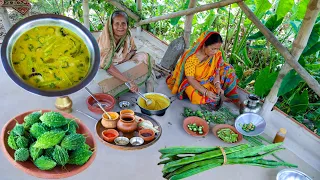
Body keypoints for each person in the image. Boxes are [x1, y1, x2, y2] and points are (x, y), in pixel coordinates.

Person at [166, 31, 239, 110]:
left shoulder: (216, 55)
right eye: (213, 49)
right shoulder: (192, 59)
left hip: (210, 80)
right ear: (204, 45)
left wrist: (218, 86)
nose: (215, 52)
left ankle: (225, 95)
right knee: (193, 92)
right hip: (194, 82)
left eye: (217, 49)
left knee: (228, 69)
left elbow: (216, 72)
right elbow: (191, 79)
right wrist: (206, 92)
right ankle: (209, 98)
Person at [96, 10, 154, 97]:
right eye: (117, 24)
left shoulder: (127, 34)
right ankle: (127, 84)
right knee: (105, 85)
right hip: (105, 68)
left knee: (146, 57)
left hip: (123, 62)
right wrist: (128, 81)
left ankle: (133, 85)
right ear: (111, 25)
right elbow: (108, 67)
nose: (120, 27)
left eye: (123, 23)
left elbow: (133, 49)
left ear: (127, 25)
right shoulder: (106, 40)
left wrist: (127, 57)